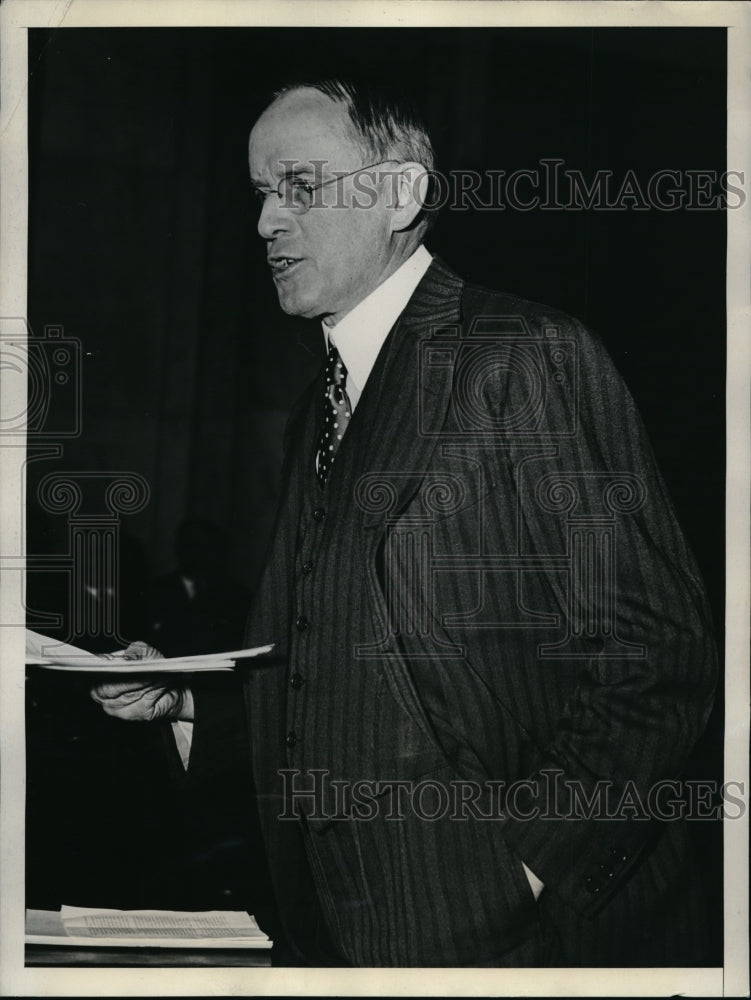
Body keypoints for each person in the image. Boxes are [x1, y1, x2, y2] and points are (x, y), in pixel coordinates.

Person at [91, 78, 717, 967]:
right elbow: (337, 679)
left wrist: (526, 867)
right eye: (261, 193)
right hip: (338, 935)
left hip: (525, 944)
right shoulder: (319, 406)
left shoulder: (519, 356)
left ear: (401, 194)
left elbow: (660, 654)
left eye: (298, 185)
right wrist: (190, 701)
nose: (266, 222)